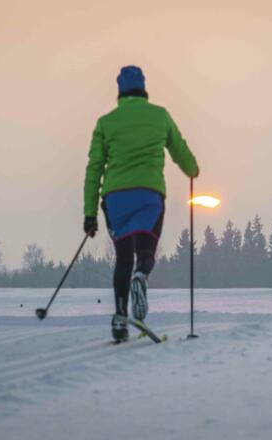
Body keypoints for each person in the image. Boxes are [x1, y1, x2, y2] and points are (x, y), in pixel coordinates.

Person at [83, 65, 199, 342]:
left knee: (123, 258)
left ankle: (121, 318)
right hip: (149, 196)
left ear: (120, 90)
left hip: (115, 199)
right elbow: (180, 150)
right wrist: (192, 169)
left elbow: (94, 169)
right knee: (145, 251)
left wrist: (89, 214)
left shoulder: (105, 122)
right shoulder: (160, 116)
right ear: (144, 87)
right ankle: (142, 275)